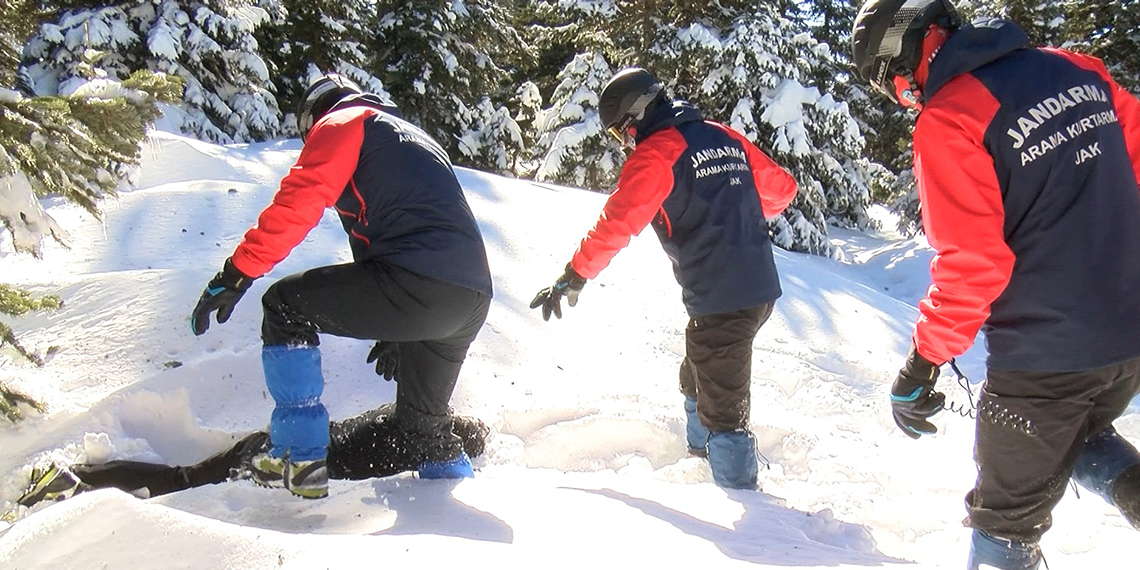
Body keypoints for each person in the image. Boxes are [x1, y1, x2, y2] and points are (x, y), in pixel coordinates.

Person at [851, 1, 1140, 568]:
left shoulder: (951, 118)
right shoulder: (1078, 69)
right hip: (1128, 335)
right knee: (1073, 433)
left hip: (1047, 356)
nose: (907, 99)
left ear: (903, 56)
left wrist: (923, 360)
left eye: (896, 87)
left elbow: (974, 264)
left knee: (1003, 523)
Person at [190, 73, 493, 499]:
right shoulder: (414, 138)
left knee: (284, 305)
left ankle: (299, 455)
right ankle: (461, 510)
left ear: (314, 116)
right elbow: (406, 230)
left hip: (419, 285)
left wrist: (237, 272)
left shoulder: (343, 123)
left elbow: (299, 202)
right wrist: (396, 329)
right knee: (424, 431)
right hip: (470, 298)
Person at [530, 68, 798, 491]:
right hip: (759, 290)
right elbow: (782, 189)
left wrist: (574, 275)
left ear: (633, 118)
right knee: (697, 371)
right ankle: (697, 458)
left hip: (720, 298)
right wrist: (730, 203)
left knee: (725, 409)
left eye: (621, 133)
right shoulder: (723, 136)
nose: (624, 142)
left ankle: (745, 505)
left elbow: (617, 224)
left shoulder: (657, 154)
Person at [14, 405, 490, 508]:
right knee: (179, 485)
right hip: (272, 462)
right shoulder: (412, 445)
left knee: (181, 480)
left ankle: (76, 477)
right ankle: (70, 482)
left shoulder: (404, 415)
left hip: (274, 445)